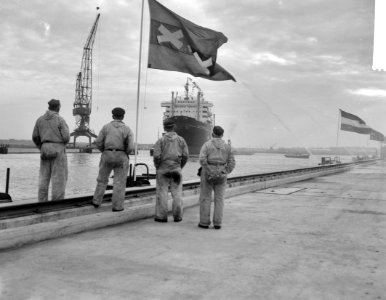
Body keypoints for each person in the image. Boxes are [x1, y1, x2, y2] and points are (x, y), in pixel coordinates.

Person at [91, 107, 134, 212]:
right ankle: (117, 206)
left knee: (102, 180)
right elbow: (130, 147)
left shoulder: (105, 127)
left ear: (112, 116)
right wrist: (125, 153)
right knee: (119, 182)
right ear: (123, 116)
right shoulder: (127, 129)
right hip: (121, 155)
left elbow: (98, 142)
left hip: (107, 154)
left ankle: (96, 201)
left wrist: (104, 151)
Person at [198, 125, 236, 229]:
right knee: (219, 199)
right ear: (222, 135)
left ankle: (204, 223)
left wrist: (208, 169)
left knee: (205, 197)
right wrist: (225, 171)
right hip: (222, 174)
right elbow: (232, 162)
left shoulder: (207, 145)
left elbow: (202, 159)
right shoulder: (228, 147)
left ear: (212, 133)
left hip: (208, 173)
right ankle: (218, 223)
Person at [32, 99, 70, 202]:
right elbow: (66, 137)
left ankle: (42, 202)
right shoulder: (60, 120)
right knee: (58, 179)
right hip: (58, 148)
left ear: (48, 107)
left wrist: (41, 147)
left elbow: (35, 137)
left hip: (44, 147)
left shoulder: (39, 120)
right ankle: (56, 203)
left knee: (43, 178)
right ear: (58, 107)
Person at [153, 118, 189, 222]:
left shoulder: (160, 141)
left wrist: (158, 167)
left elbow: (156, 156)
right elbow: (186, 155)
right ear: (174, 127)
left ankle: (161, 216)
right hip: (176, 168)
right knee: (177, 193)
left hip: (163, 169)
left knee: (162, 193)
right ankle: (178, 216)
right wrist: (180, 166)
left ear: (164, 128)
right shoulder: (181, 140)